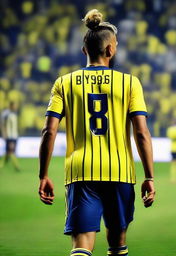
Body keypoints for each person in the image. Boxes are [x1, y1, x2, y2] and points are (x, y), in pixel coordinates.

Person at [38, 9, 155, 256]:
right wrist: (150, 176)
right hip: (120, 171)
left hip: (81, 171)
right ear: (111, 50)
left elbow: (49, 131)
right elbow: (141, 133)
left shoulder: (64, 83)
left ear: (84, 51)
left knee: (82, 244)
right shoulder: (130, 83)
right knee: (118, 242)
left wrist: (43, 174)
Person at [0, 101, 20, 171]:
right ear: (11, 106)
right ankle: (16, 166)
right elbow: (2, 124)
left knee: (8, 151)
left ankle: (3, 164)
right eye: (14, 105)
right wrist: (4, 134)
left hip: (15, 135)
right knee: (11, 150)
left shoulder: (15, 114)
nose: (15, 107)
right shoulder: (6, 114)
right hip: (9, 136)